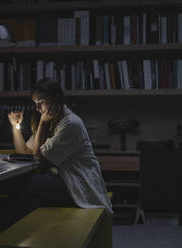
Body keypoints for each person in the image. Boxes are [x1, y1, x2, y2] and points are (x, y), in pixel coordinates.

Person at [7, 78, 113, 215]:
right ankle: (3, 233)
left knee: (27, 184)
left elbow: (37, 156)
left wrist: (42, 124)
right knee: (28, 202)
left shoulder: (70, 124)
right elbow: (25, 152)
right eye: (35, 104)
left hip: (78, 184)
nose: (37, 108)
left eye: (40, 103)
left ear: (54, 99)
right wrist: (15, 128)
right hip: (64, 180)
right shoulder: (52, 120)